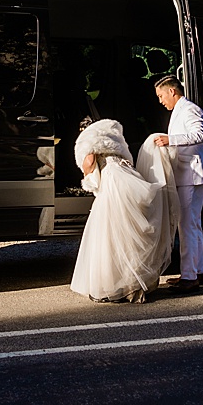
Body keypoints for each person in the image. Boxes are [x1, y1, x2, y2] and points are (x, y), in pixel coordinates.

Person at [68, 118, 177, 303]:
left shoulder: (89, 141)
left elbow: (89, 161)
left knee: (110, 234)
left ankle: (114, 286)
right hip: (128, 177)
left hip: (113, 183)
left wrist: (87, 176)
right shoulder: (115, 138)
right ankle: (135, 284)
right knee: (131, 232)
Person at [149, 75, 203, 288]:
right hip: (185, 174)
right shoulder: (179, 111)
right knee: (191, 225)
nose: (160, 101)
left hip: (191, 175)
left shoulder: (190, 110)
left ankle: (190, 277)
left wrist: (170, 140)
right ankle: (195, 271)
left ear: (172, 92)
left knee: (187, 225)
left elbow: (199, 135)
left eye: (161, 96)